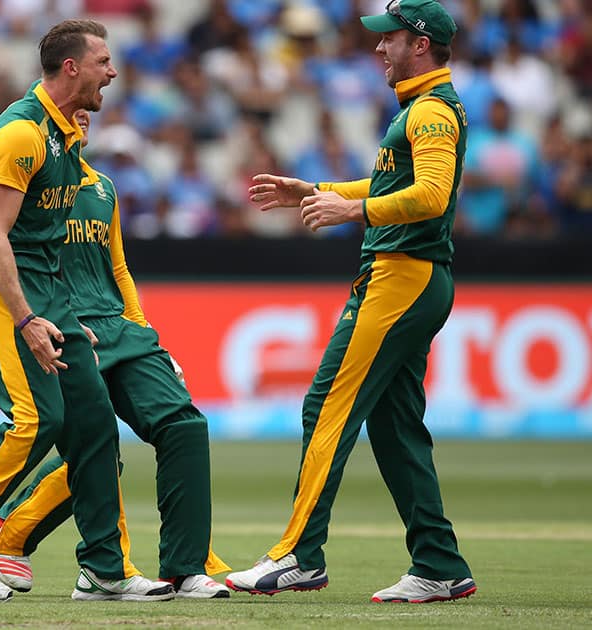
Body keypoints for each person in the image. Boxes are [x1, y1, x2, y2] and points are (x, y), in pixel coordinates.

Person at [225, 0, 477, 604]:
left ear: (419, 44)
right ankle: (439, 563)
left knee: (327, 406)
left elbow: (433, 196)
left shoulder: (432, 112)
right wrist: (316, 191)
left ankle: (298, 555)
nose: (378, 49)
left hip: (402, 279)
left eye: (388, 39)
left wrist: (352, 210)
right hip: (410, 277)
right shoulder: (422, 110)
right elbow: (398, 185)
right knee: (394, 427)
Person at [0, 19, 175, 603]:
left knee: (92, 424)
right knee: (38, 418)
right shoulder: (20, 134)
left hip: (50, 290)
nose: (112, 73)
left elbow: (51, 234)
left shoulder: (68, 135)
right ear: (72, 68)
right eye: (103, 62)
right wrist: (26, 319)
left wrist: (69, 315)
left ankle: (104, 572)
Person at [0, 110, 231, 599]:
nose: (81, 118)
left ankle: (185, 571)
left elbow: (118, 269)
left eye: (87, 113)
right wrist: (33, 320)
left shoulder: (103, 190)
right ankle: (81, 561)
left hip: (121, 328)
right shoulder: (32, 179)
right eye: (71, 113)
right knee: (99, 449)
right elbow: (2, 247)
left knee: (185, 425)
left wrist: (148, 336)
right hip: (66, 326)